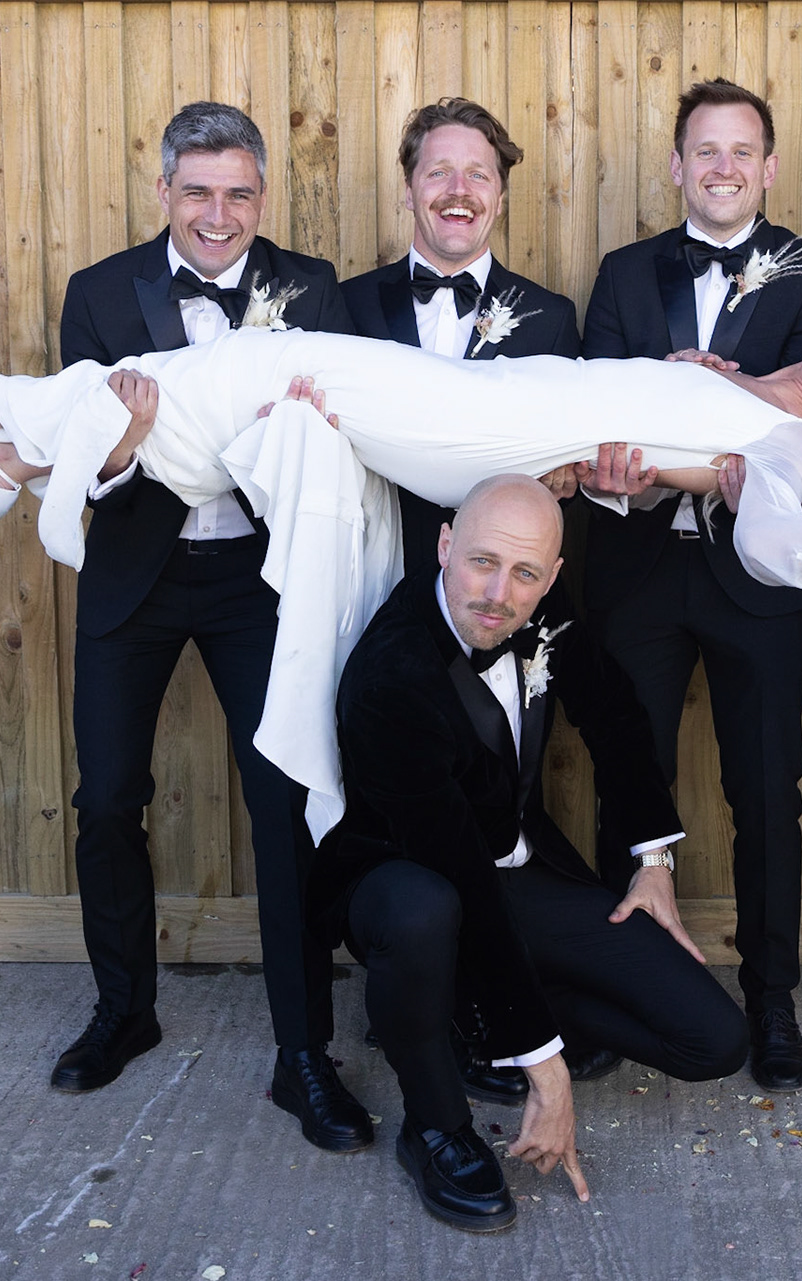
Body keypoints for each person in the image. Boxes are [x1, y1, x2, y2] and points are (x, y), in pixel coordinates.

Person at [0, 284, 802, 856]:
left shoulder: (796, 447)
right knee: (239, 400)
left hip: (482, 436)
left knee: (267, 361)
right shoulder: (737, 383)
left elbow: (781, 548)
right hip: (496, 405)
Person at [28, 100, 372, 1154]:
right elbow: (79, 464)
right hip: (137, 574)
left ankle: (301, 1053)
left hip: (258, 582)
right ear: (164, 192)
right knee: (106, 801)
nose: (218, 215)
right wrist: (126, 441)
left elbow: (343, 443)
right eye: (197, 193)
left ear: (262, 197)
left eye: (239, 194)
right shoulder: (97, 294)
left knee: (286, 804)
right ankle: (124, 1009)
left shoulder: (312, 288)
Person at [308, 472, 747, 1231]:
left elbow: (611, 710)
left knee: (714, 1038)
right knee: (426, 910)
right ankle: (436, 1126)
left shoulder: (534, 609)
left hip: (510, 872)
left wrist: (653, 858)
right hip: (401, 878)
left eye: (525, 574)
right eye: (481, 561)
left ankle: (478, 1005)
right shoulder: (395, 674)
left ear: (552, 577)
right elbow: (455, 871)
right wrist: (546, 1066)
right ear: (445, 545)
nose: (498, 594)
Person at [577, 77, 802, 1092]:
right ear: (678, 165)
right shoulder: (624, 271)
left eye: (743, 152)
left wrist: (724, 396)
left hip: (760, 576)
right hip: (639, 564)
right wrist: (631, 452)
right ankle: (624, 996)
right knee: (625, 786)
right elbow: (596, 399)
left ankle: (770, 1002)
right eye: (706, 150)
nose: (724, 167)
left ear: (768, 169)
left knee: (766, 794)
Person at [340, 97, 584, 577]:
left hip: (495, 588)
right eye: (437, 173)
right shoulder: (347, 304)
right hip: (369, 571)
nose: (459, 191)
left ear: (500, 196)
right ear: (409, 190)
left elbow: (565, 475)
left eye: (478, 175)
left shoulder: (550, 319)